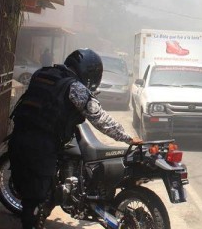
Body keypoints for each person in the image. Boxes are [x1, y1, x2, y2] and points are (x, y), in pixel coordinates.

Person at [8, 48, 142, 229]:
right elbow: (100, 119)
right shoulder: (75, 87)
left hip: (19, 134)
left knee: (31, 190)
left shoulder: (43, 73)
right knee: (35, 199)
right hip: (42, 144)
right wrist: (127, 138)